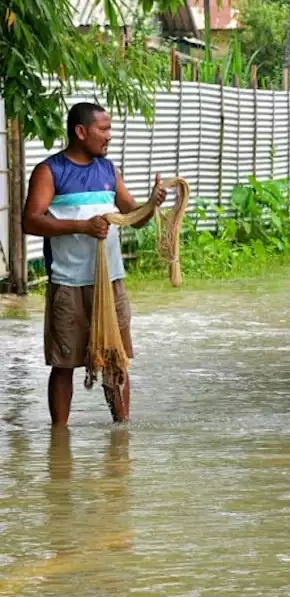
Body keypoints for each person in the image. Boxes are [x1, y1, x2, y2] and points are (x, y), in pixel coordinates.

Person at [22, 102, 168, 426]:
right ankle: (58, 439)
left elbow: (134, 218)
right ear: (81, 131)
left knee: (117, 360)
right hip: (68, 283)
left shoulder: (108, 170)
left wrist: (152, 202)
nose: (109, 136)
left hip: (111, 282)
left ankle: (121, 435)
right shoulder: (50, 171)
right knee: (63, 364)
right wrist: (82, 226)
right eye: (103, 129)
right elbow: (30, 221)